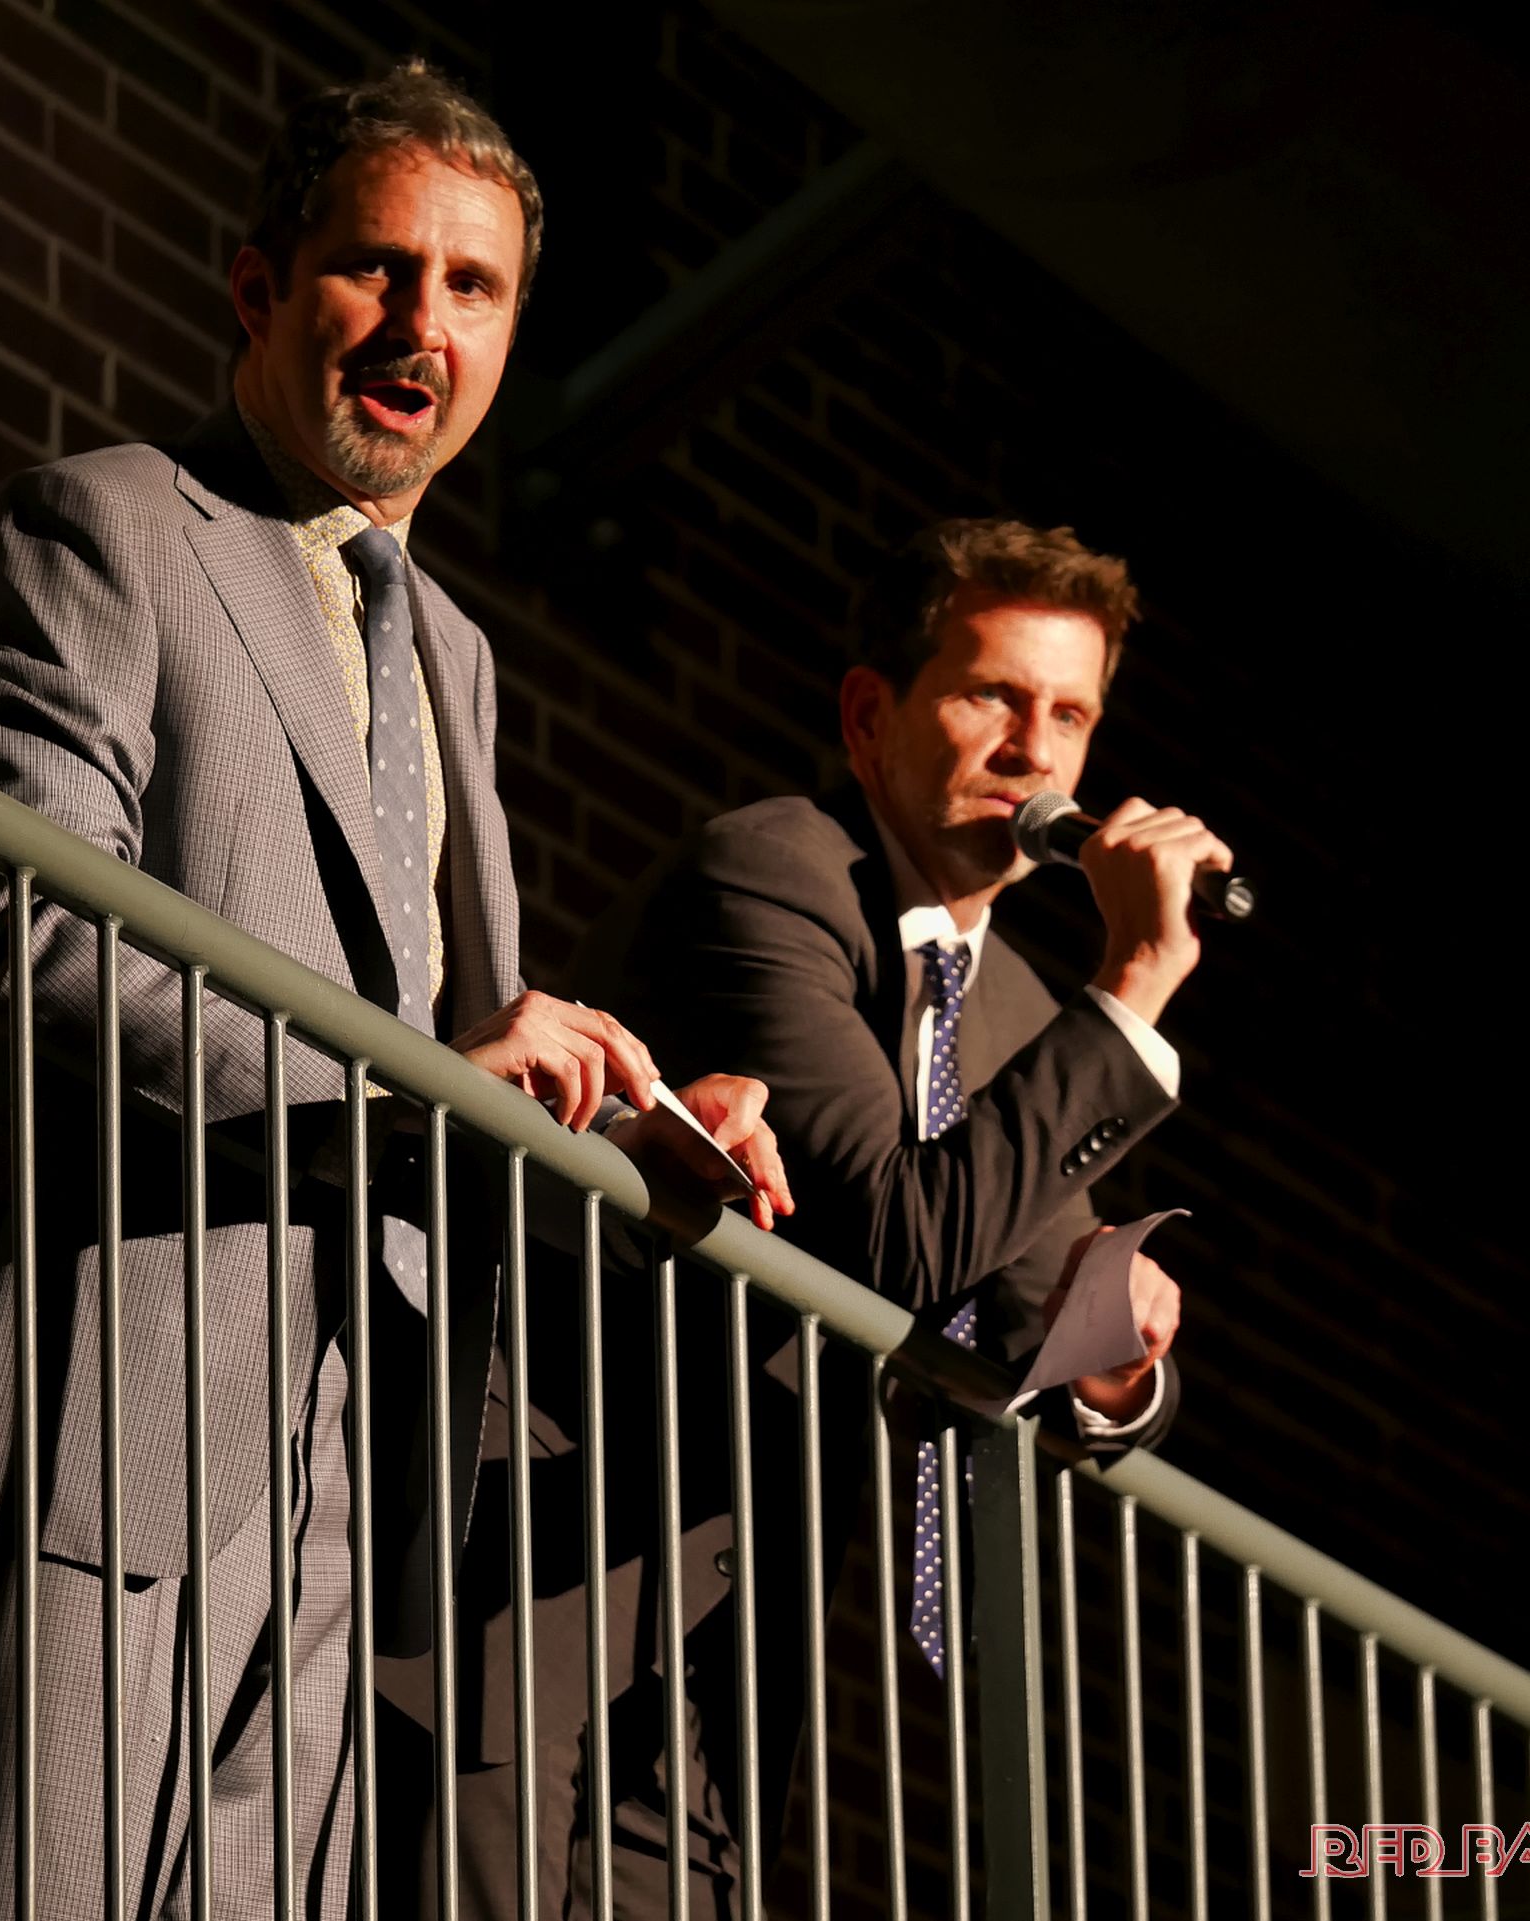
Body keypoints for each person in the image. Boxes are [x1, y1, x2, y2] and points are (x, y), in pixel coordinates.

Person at [0, 63, 788, 1921]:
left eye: (473, 287)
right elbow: (34, 934)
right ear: (258, 288)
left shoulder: (455, 652)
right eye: (378, 267)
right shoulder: (100, 526)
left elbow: (454, 1071)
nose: (421, 323)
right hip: (101, 1414)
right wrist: (418, 1083)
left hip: (358, 1485)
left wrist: (627, 1132)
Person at [394, 518, 1228, 1915]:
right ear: (868, 714)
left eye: (1071, 715)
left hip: (721, 1661)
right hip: (529, 1574)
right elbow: (894, 1239)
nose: (1034, 750)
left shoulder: (1026, 1013)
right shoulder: (777, 871)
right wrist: (1138, 980)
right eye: (992, 696)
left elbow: (1026, 1318)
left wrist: (1117, 1371)